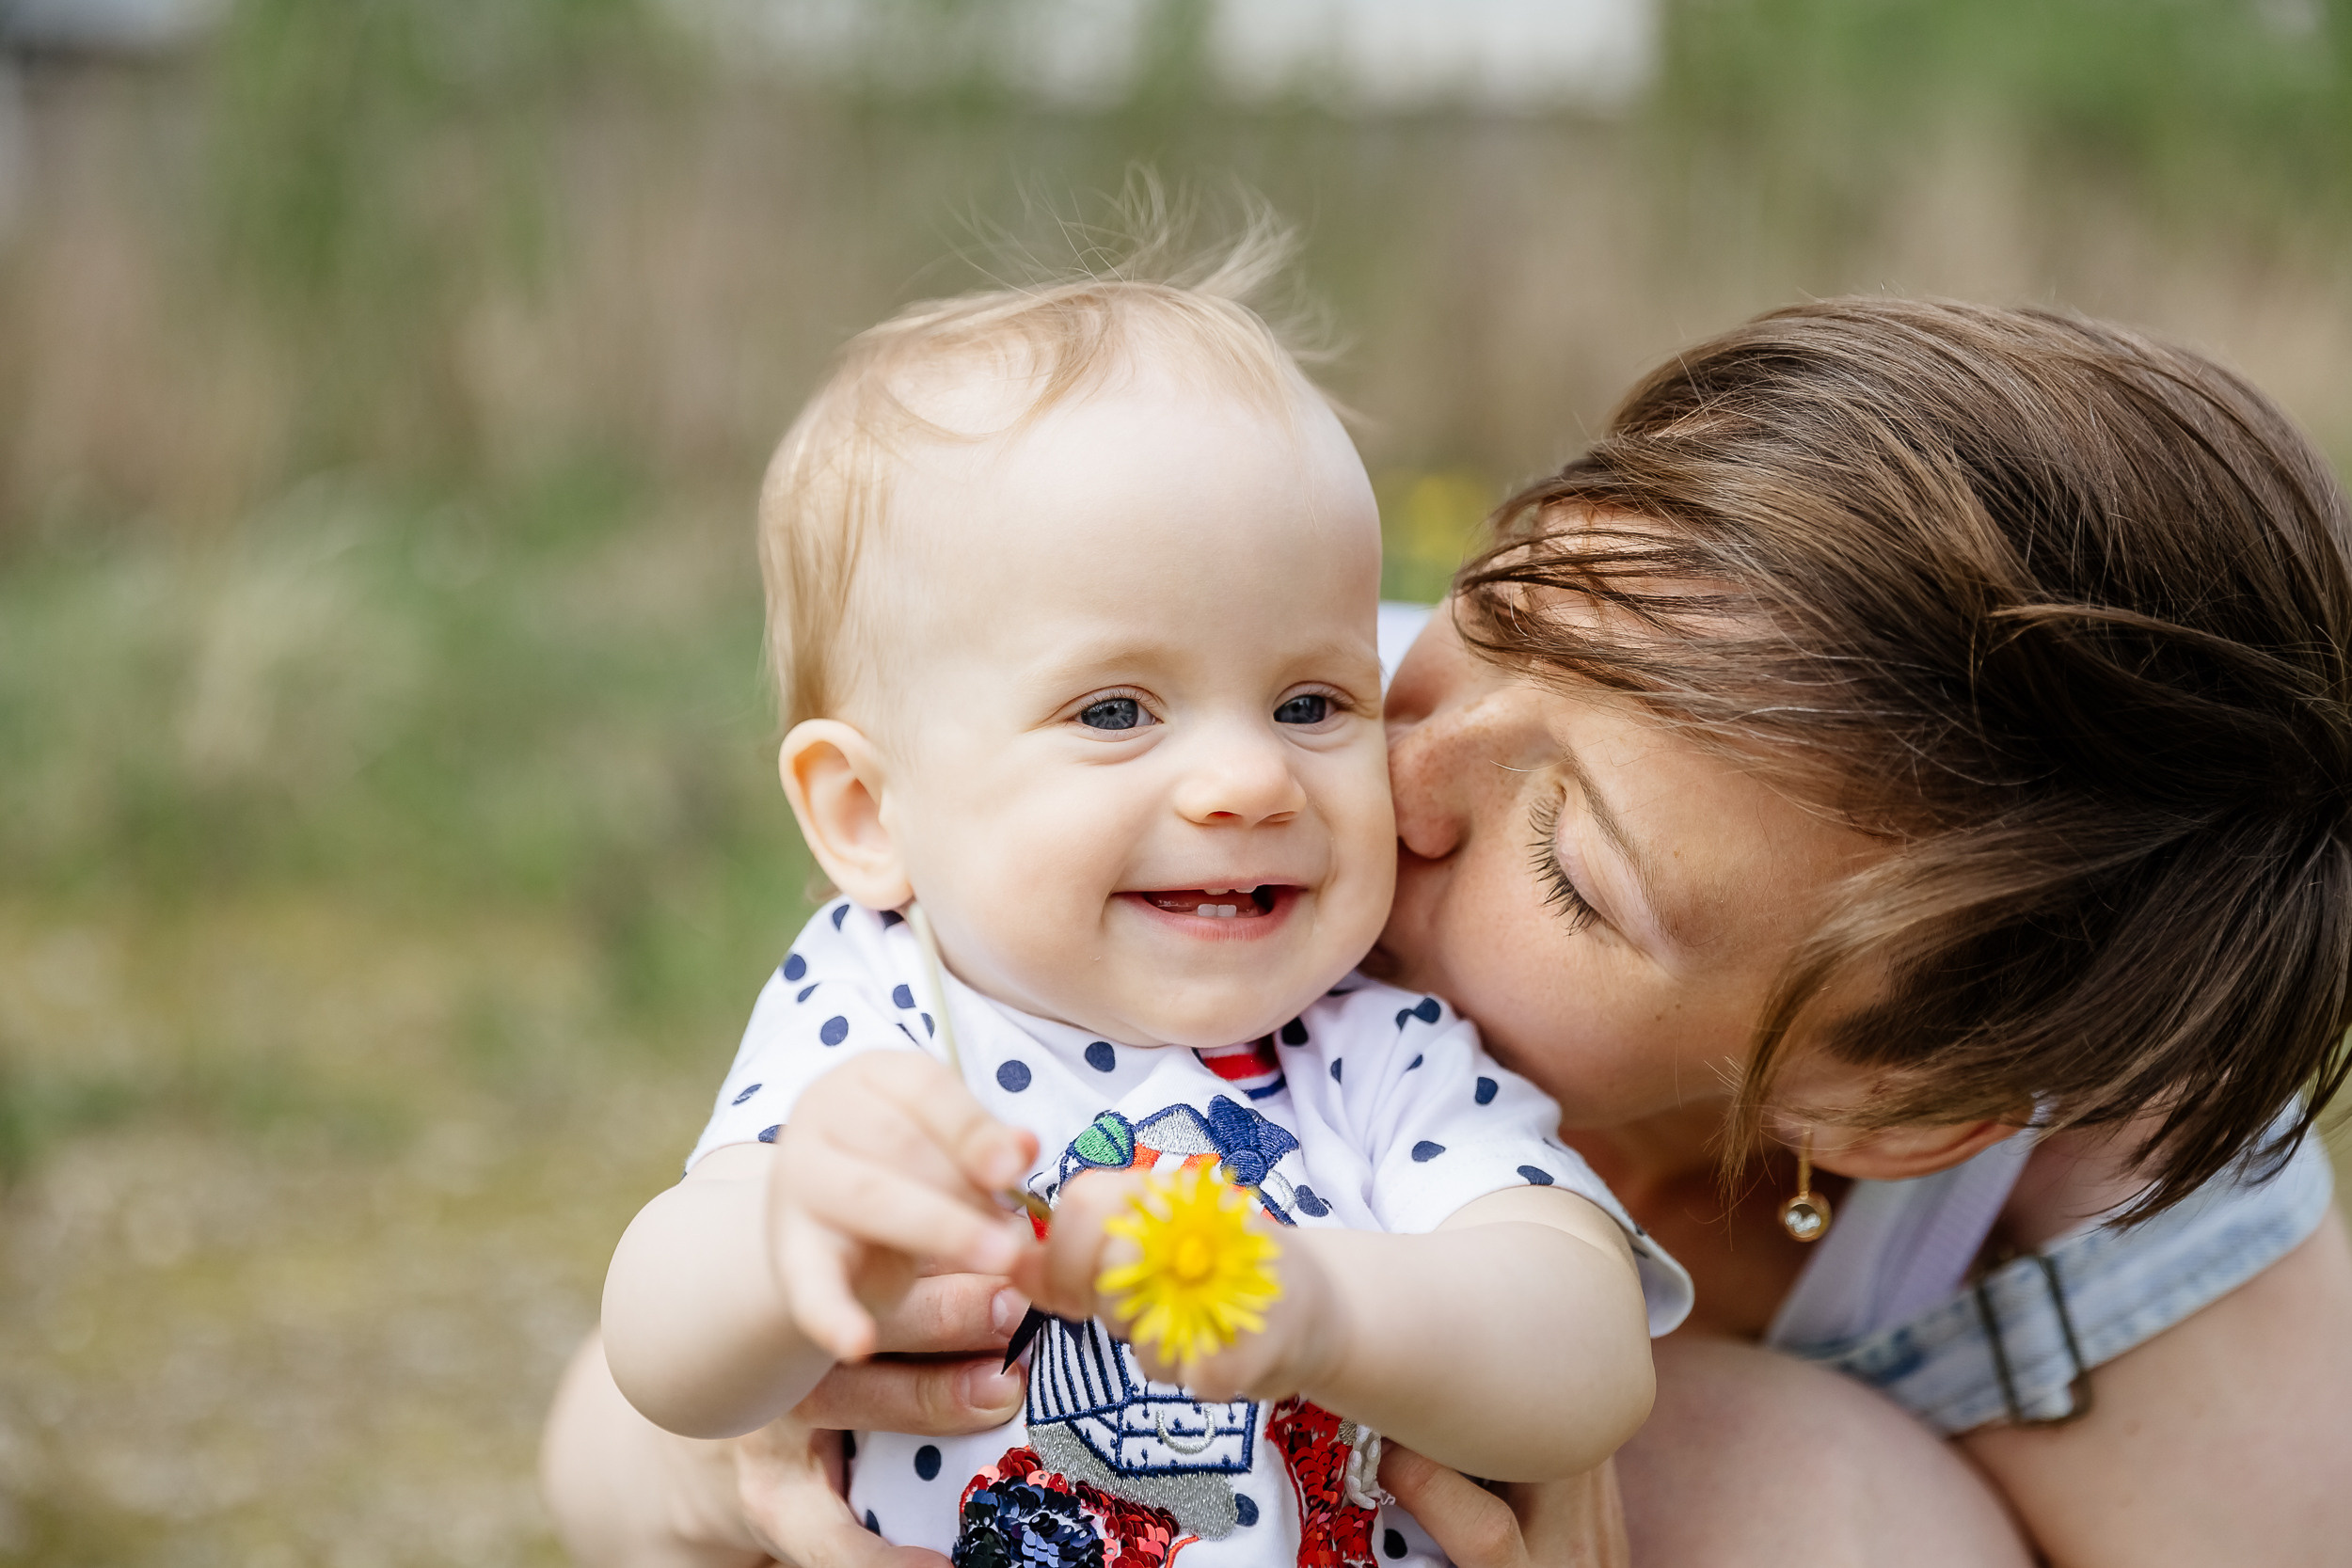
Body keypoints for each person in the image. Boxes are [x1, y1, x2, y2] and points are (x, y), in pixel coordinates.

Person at [544, 297, 2352, 1566]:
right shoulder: (1219, 710)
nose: (1392, 768)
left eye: (1569, 867)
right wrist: (748, 1435)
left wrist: (1404, 1346)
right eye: (1500, 595)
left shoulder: (2132, 1233)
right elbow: (633, 1412)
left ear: (1892, 1110)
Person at [590, 250, 1679, 1568]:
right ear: (870, 815)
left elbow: (1586, 1350)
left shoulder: (1377, 1048)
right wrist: (789, 1244)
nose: (1246, 778)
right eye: (1116, 711)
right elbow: (662, 1350)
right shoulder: (880, 1014)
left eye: (1312, 702)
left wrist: (1328, 1309)